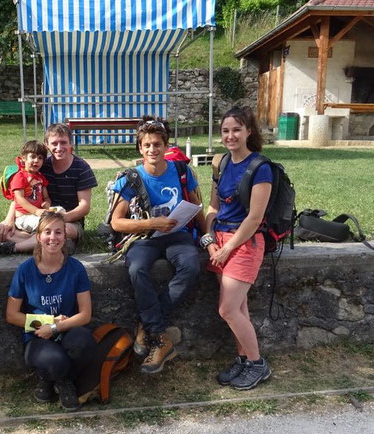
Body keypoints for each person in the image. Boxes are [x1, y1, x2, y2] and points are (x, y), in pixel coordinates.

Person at [110, 116, 206, 374]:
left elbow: (197, 208)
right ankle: (160, 336)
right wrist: (151, 223)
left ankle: (148, 324)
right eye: (147, 145)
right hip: (145, 238)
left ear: (166, 146)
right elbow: (117, 223)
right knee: (136, 269)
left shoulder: (182, 172)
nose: (152, 149)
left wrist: (207, 237)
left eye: (157, 144)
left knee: (190, 266)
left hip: (178, 235)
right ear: (140, 148)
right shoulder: (130, 179)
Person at [203, 106, 273, 391]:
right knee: (239, 308)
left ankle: (258, 364)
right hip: (218, 241)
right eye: (226, 130)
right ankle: (243, 359)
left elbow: (254, 218)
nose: (230, 135)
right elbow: (213, 206)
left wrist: (227, 248)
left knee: (228, 309)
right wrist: (209, 240)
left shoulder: (260, 168)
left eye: (236, 130)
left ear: (249, 132)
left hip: (244, 243)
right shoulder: (220, 163)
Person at [6, 211, 96, 411]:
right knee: (55, 361)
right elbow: (12, 315)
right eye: (47, 232)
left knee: (85, 343)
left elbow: (85, 314)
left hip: (67, 328)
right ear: (38, 237)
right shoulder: (25, 270)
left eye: (58, 232)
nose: (53, 238)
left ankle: (58, 381)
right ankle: (54, 378)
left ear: (65, 236)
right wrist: (46, 322)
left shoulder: (76, 268)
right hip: (37, 335)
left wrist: (56, 326)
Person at [0, 123, 97, 256]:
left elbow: (84, 207)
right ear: (47, 144)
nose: (59, 147)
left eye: (63, 143)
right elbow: (20, 195)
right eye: (54, 143)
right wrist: (8, 219)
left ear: (70, 144)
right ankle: (56, 244)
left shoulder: (81, 168)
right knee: (5, 230)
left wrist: (62, 218)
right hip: (38, 217)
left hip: (70, 221)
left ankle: (13, 247)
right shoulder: (41, 165)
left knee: (58, 230)